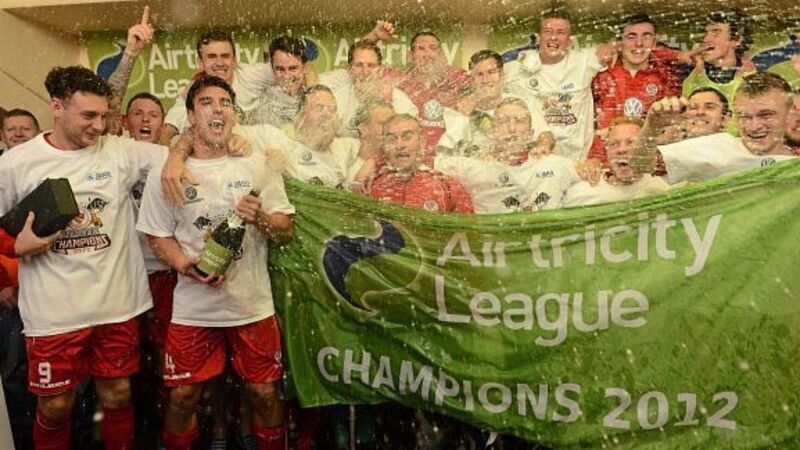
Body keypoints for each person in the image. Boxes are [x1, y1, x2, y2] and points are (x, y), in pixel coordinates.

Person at [0, 65, 166, 450]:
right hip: (53, 313)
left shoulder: (119, 151)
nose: (98, 126)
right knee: (56, 405)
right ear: (57, 107)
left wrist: (182, 153)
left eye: (104, 116)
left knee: (117, 395)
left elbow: (175, 155)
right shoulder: (16, 163)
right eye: (88, 115)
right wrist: (17, 247)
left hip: (117, 306)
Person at [136, 76, 294, 450]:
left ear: (234, 115)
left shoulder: (256, 165)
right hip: (194, 309)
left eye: (225, 102)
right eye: (206, 103)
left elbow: (286, 229)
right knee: (182, 397)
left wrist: (261, 219)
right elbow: (157, 235)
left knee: (263, 393)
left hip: (251, 306)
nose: (217, 109)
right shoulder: (168, 173)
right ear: (191, 116)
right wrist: (184, 264)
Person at [640, 72, 798, 185]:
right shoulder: (718, 147)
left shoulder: (796, 159)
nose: (754, 126)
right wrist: (651, 128)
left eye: (766, 115)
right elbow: (641, 165)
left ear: (790, 112)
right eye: (744, 117)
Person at [504, 9, 615, 161]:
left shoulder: (584, 62)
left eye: (561, 32)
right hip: (537, 159)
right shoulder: (518, 68)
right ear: (538, 38)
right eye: (548, 31)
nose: (554, 37)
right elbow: (486, 76)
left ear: (569, 41)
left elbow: (622, 47)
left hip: (577, 161)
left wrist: (610, 45)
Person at [435, 98, 580, 213]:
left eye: (520, 121)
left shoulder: (555, 165)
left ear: (531, 134)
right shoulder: (472, 167)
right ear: (492, 132)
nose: (512, 129)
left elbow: (589, 173)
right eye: (504, 121)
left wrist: (590, 167)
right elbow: (427, 168)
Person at [588, 13, 681, 163]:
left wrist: (645, 140)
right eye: (631, 37)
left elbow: (671, 130)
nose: (639, 43)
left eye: (646, 36)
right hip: (601, 164)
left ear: (654, 42)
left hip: (646, 165)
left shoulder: (666, 77)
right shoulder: (598, 73)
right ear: (619, 42)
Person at [235, 84, 361, 189]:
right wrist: (237, 139)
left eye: (332, 109)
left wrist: (371, 163)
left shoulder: (344, 146)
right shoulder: (278, 139)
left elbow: (372, 146)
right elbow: (230, 131)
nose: (327, 114)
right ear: (301, 115)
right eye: (319, 107)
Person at [160, 30, 274, 142]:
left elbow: (283, 67)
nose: (219, 63)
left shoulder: (251, 76)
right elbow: (166, 134)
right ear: (200, 63)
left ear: (235, 60)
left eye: (225, 56)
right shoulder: (192, 92)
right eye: (212, 57)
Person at [439, 49, 554, 157]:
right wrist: (462, 116)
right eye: (479, 74)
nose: (485, 80)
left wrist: (542, 146)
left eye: (491, 72)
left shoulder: (520, 104)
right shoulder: (458, 109)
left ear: (502, 76)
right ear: (471, 80)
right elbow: (446, 153)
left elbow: (545, 135)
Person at [369, 114, 474, 213]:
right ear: (384, 146)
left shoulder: (448, 187)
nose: (399, 145)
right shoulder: (371, 186)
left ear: (422, 142)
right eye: (391, 139)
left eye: (407, 137)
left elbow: (467, 225)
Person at [318, 39, 417, 137]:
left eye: (371, 66)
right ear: (349, 69)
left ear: (380, 70)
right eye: (359, 65)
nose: (365, 72)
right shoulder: (336, 100)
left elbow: (410, 139)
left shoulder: (399, 101)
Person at [564, 117, 670, 207]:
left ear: (645, 149)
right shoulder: (582, 193)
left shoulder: (659, 191)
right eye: (614, 144)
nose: (621, 150)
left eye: (631, 143)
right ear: (607, 151)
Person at [397, 31, 471, 151]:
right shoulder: (401, 84)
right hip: (414, 155)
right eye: (421, 49)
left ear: (440, 54)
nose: (427, 54)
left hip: (450, 154)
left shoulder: (457, 78)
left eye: (432, 48)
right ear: (410, 55)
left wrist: (471, 99)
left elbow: (485, 87)